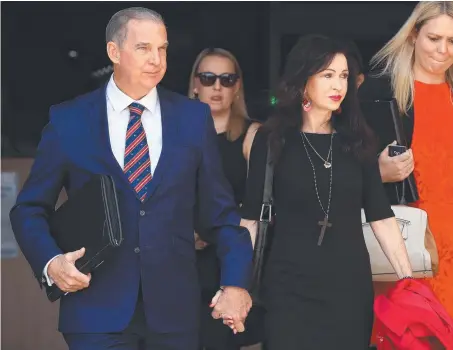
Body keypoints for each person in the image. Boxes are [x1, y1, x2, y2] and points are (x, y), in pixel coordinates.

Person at [9, 7, 253, 350]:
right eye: (143, 48)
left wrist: (236, 283)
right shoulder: (70, 120)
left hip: (175, 314)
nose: (156, 58)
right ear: (114, 52)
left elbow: (221, 214)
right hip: (95, 310)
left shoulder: (192, 119)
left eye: (163, 48)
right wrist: (52, 263)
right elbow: (28, 209)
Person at [240, 34, 413, 350]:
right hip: (287, 287)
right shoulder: (272, 139)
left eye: (344, 76)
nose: (339, 86)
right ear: (304, 80)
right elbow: (251, 217)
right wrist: (235, 284)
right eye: (328, 75)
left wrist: (408, 281)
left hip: (348, 288)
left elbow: (381, 215)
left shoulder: (359, 141)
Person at [359, 0, 453, 318]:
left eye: (452, 41)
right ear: (413, 35)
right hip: (408, 248)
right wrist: (377, 172)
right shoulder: (381, 94)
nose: (443, 50)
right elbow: (333, 168)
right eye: (434, 38)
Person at [187, 48, 260, 350]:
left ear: (237, 86)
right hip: (181, 257)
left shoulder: (253, 135)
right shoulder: (175, 135)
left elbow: (260, 204)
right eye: (208, 78)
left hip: (230, 257)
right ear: (195, 84)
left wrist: (211, 231)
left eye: (227, 79)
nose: (217, 87)